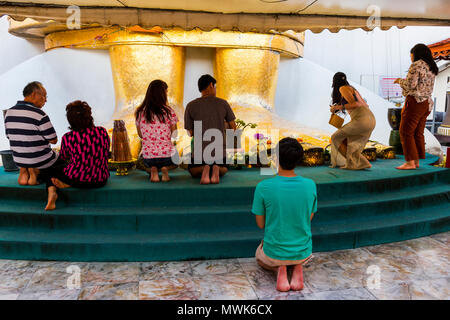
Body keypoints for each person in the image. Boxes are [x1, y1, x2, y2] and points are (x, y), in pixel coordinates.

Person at [252, 138, 317, 292]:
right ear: (299, 159)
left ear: (276, 158)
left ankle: (279, 269)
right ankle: (297, 266)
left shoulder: (263, 187)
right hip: (303, 251)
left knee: (259, 253)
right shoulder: (310, 185)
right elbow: (308, 219)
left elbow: (261, 224)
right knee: (298, 250)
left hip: (274, 253)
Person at [40, 100, 110, 210]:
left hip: (78, 179)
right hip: (100, 179)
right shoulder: (102, 132)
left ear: (70, 120)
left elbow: (64, 157)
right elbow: (105, 151)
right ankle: (66, 184)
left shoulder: (68, 137)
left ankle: (52, 193)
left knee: (50, 170)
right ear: (89, 116)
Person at [184, 74, 236, 184]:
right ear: (211, 85)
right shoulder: (223, 103)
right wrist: (222, 125)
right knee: (225, 168)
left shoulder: (190, 105)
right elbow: (233, 128)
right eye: (215, 86)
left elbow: (190, 133)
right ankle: (217, 168)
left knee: (192, 170)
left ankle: (204, 168)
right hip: (219, 153)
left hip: (199, 154)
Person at [394, 43, 438, 170]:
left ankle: (410, 162)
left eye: (411, 55)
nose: (410, 58)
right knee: (417, 133)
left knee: (405, 131)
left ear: (416, 54)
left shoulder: (417, 65)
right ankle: (416, 161)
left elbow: (410, 85)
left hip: (415, 101)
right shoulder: (431, 67)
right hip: (426, 104)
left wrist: (399, 81)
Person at [4, 81, 58, 186]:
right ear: (33, 94)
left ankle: (24, 172)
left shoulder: (8, 112)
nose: (46, 100)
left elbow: (8, 136)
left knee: (27, 154)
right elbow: (53, 140)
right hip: (40, 160)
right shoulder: (40, 114)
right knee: (61, 162)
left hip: (19, 161)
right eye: (44, 96)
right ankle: (35, 173)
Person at [329, 72, 376, 170]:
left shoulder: (342, 88)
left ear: (334, 81)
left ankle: (356, 163)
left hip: (362, 119)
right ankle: (359, 163)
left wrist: (338, 107)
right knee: (348, 141)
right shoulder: (351, 88)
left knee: (335, 137)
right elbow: (360, 105)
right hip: (370, 118)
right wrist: (339, 108)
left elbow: (356, 104)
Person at [135, 80, 179, 182]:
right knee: (176, 162)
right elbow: (174, 134)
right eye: (166, 92)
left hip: (148, 158)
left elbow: (141, 135)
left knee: (141, 163)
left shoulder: (140, 112)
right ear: (162, 94)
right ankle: (165, 169)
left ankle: (152, 170)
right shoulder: (169, 111)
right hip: (167, 158)